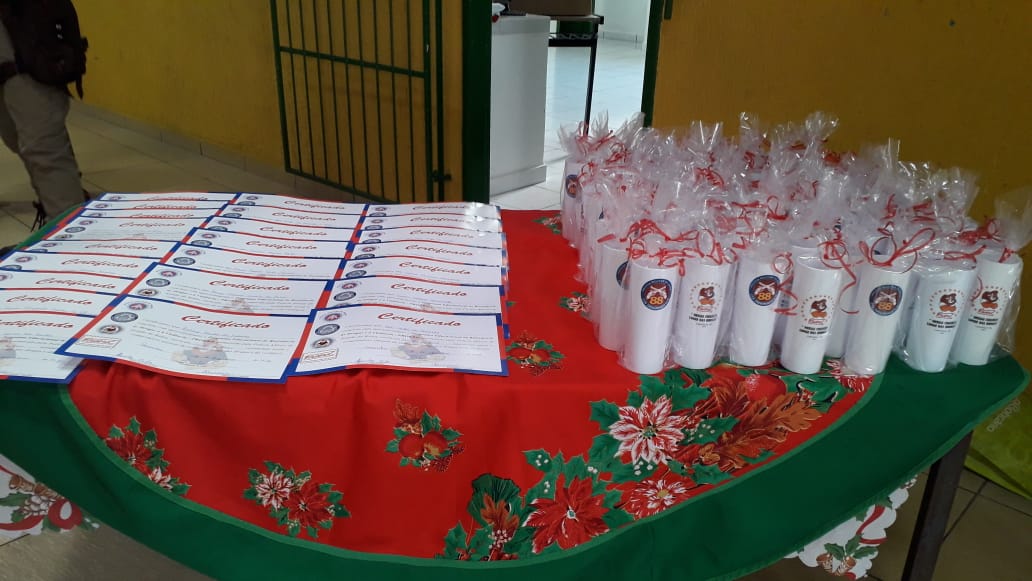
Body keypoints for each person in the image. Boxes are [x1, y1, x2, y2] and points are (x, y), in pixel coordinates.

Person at [0, 0, 85, 240]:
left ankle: (70, 237)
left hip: (25, 51)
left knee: (43, 147)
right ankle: (62, 212)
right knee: (15, 137)